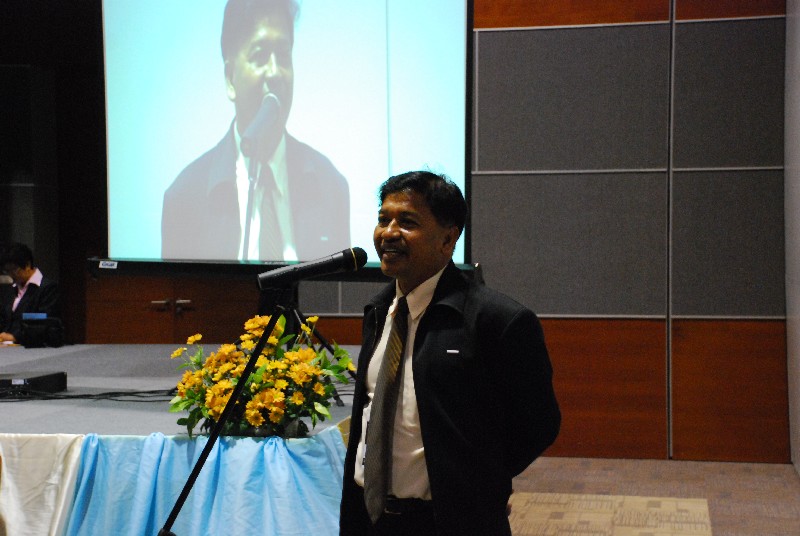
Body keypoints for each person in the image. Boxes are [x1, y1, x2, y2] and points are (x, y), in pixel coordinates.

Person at [339, 171, 561, 535]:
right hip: (371, 517)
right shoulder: (379, 311)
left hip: (451, 522)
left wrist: (480, 481)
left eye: (407, 222)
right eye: (383, 219)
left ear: (448, 238)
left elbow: (539, 424)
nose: (389, 233)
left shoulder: (497, 319)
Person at [161, 0, 350, 261]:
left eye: (283, 55)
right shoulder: (185, 196)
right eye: (260, 56)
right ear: (230, 78)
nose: (275, 72)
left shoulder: (329, 184)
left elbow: (337, 286)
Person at [0, 243, 62, 346]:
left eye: (14, 270)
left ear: (28, 265)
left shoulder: (47, 288)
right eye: (7, 271)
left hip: (33, 348)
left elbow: (45, 322)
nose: (11, 275)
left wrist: (15, 337)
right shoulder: (11, 289)